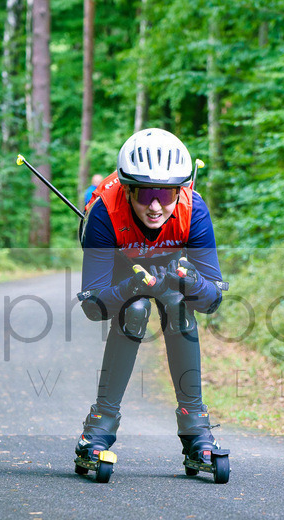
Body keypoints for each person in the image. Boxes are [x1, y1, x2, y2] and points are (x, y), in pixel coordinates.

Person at [75, 128, 228, 475]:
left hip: (174, 276)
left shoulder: (194, 209)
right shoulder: (104, 213)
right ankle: (98, 429)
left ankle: (196, 431)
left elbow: (212, 299)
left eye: (166, 193)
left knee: (178, 304)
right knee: (136, 311)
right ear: (128, 189)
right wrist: (131, 285)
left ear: (180, 189)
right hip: (122, 271)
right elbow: (93, 306)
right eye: (145, 194)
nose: (156, 205)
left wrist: (188, 280)